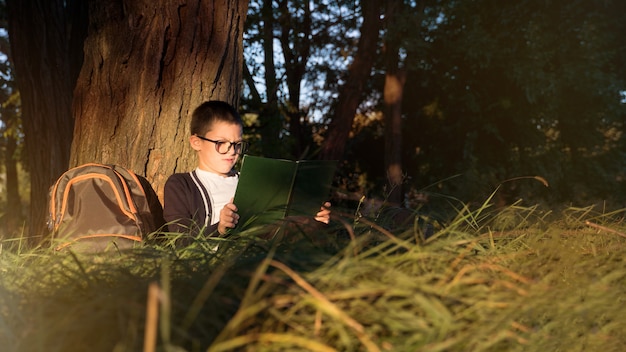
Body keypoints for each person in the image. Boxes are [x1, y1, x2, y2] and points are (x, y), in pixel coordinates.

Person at [163, 100, 331, 239]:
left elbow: (275, 232)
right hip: (216, 270)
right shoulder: (181, 185)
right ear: (196, 142)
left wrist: (312, 221)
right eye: (221, 143)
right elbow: (181, 243)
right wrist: (220, 228)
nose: (232, 151)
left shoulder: (253, 181)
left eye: (237, 144)